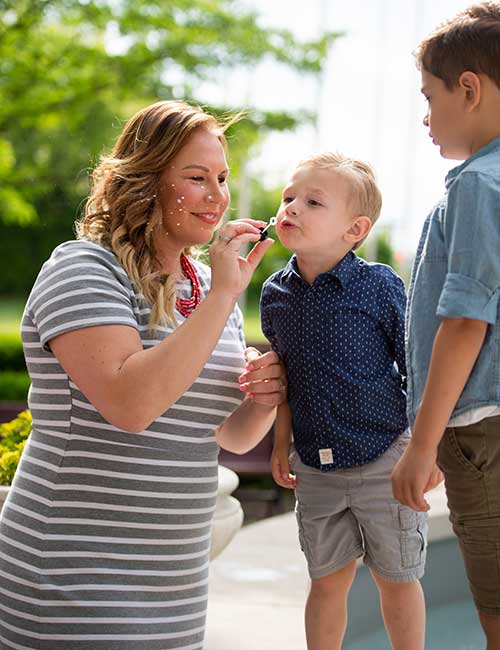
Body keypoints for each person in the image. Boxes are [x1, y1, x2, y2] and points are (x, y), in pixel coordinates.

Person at [0, 99, 287, 650]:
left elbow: (226, 435)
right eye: (197, 177)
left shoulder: (205, 285)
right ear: (148, 181)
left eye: (222, 178)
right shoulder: (82, 267)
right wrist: (228, 293)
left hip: (175, 585)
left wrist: (262, 398)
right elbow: (132, 406)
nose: (217, 196)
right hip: (72, 577)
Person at [258, 152, 427, 650]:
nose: (292, 207)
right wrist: (281, 444)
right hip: (314, 466)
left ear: (354, 229)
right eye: (290, 197)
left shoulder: (378, 287)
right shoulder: (275, 295)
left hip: (384, 458)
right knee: (327, 580)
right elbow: (285, 377)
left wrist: (423, 447)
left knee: (396, 577)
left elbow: (416, 367)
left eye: (312, 202)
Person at [391, 3, 500, 646]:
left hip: (478, 430)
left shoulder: (478, 186)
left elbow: (464, 323)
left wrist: (422, 444)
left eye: (430, 98)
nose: (426, 118)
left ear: (469, 87)